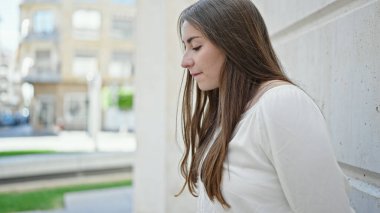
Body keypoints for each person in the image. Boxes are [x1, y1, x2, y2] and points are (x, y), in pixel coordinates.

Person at [176, 0, 355, 212]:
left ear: (233, 43)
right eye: (185, 47)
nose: (184, 61)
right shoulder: (226, 115)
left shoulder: (281, 104)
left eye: (195, 46)